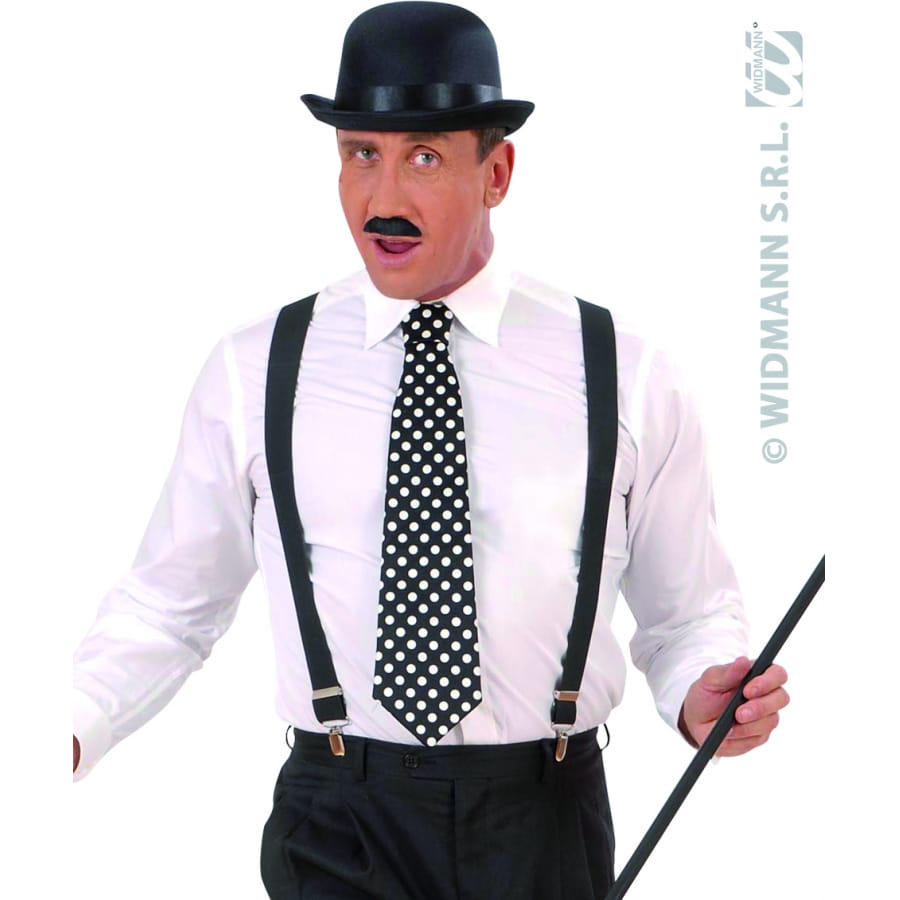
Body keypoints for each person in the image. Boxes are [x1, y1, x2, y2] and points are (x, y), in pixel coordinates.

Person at [73, 3, 790, 897]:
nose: (382, 199)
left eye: (422, 158)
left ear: (498, 173)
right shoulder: (254, 369)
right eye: (359, 155)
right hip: (338, 822)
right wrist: (65, 726)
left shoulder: (627, 372)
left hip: (542, 822)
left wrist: (701, 695)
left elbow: (688, 615)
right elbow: (168, 602)